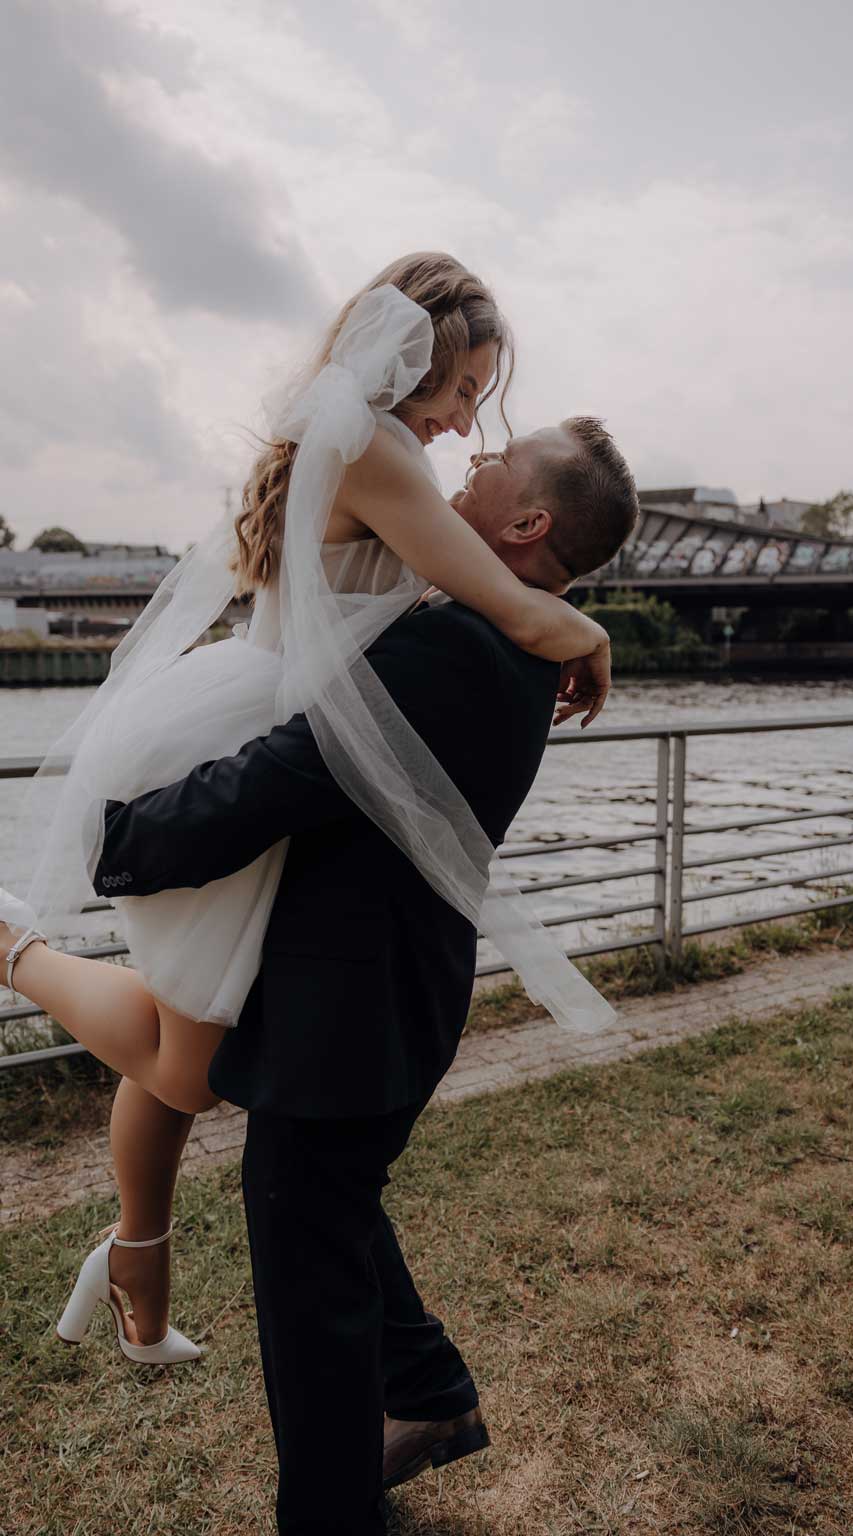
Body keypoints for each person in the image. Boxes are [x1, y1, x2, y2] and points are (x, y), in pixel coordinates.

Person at [0, 253, 615, 1362]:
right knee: (187, 1058)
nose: (466, 420)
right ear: (410, 359)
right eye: (462, 389)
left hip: (274, 726)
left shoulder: (364, 447)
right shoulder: (373, 453)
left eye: (479, 399)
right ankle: (13, 948)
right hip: (243, 735)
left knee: (194, 1024)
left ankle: (137, 1256)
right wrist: (584, 629)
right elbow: (506, 605)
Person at [92, 416, 638, 1533]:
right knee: (334, 1217)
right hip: (384, 997)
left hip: (348, 1016)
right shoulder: (501, 639)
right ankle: (430, 1394)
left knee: (310, 1295)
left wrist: (118, 841)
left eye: (492, 466)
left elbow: (277, 781)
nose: (465, 467)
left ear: (526, 521)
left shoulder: (457, 647)